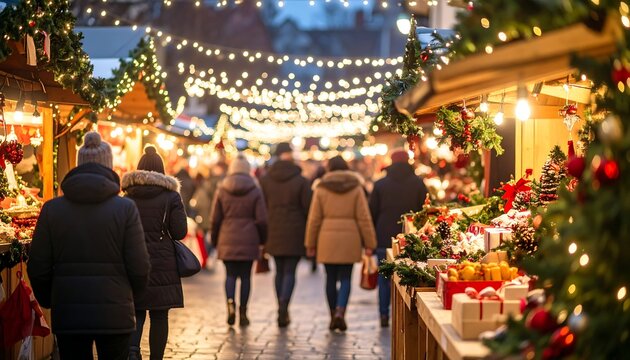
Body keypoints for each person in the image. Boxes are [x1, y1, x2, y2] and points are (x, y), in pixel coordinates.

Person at [27, 132, 150, 360]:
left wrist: (51, 299)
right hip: (115, 312)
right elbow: (139, 266)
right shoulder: (125, 209)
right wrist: (129, 296)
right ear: (109, 167)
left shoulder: (52, 210)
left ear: (78, 165)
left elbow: (38, 265)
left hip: (69, 312)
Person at [122, 146, 188, 360]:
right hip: (162, 262)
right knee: (160, 315)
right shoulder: (171, 196)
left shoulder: (126, 197)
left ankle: (133, 352)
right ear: (162, 170)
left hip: (133, 258)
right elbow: (179, 232)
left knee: (137, 310)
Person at [305, 155, 377, 331]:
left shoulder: (321, 188)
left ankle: (332, 313)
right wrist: (370, 243)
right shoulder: (356, 188)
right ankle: (340, 311)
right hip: (350, 239)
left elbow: (314, 219)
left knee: (330, 278)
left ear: (329, 168)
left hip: (326, 239)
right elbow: (364, 218)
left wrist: (310, 244)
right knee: (345, 278)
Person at [369, 149, 428, 327]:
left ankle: (384, 314)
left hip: (383, 236)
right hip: (410, 239)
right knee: (408, 277)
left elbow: (372, 213)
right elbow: (424, 212)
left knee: (384, 277)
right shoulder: (418, 183)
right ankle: (404, 317)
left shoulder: (380, 185)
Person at [211, 154, 267, 326]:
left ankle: (230, 305)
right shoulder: (255, 189)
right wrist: (262, 240)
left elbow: (215, 219)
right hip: (249, 239)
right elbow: (262, 219)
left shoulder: (222, 188)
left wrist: (215, 240)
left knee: (230, 275)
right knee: (245, 277)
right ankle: (243, 312)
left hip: (227, 237)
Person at [260, 142, 312, 327]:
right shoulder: (301, 180)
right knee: (290, 271)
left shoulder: (266, 180)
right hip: (295, 231)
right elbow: (308, 208)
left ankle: (280, 305)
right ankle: (284, 305)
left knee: (279, 271)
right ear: (290, 155)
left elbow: (261, 207)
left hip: (273, 229)